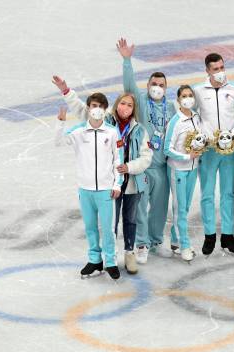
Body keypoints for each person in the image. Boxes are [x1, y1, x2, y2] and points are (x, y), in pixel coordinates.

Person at [51, 77, 152, 274]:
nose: (125, 107)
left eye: (129, 105)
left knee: (129, 220)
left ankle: (126, 255)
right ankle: (99, 259)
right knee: (102, 226)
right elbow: (81, 109)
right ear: (114, 106)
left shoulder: (135, 130)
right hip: (92, 186)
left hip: (128, 181)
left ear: (134, 109)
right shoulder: (99, 123)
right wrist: (66, 93)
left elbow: (145, 157)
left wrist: (127, 168)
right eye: (122, 103)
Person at [116, 38, 177, 263]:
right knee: (140, 207)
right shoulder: (140, 102)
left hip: (162, 167)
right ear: (148, 84)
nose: (157, 87)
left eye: (161, 84)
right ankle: (141, 243)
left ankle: (155, 239)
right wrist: (127, 60)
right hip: (142, 167)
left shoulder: (171, 108)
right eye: (154, 83)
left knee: (160, 208)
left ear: (166, 88)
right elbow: (129, 86)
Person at [54, 94, 122, 280]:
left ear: (105, 109)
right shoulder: (78, 132)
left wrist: (117, 184)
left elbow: (119, 160)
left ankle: (111, 262)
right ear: (89, 107)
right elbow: (58, 142)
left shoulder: (112, 132)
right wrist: (60, 123)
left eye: (101, 106)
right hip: (85, 190)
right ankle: (94, 260)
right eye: (94, 105)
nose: (97, 109)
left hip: (106, 190)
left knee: (107, 229)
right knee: (90, 227)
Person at [193, 53, 234, 255]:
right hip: (208, 150)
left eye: (222, 67)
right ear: (207, 70)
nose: (220, 72)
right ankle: (209, 235)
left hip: (229, 150)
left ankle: (228, 235)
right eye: (215, 69)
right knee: (206, 194)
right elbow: (193, 116)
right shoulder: (198, 91)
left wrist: (233, 136)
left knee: (228, 193)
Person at [164, 85, 205, 262]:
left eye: (190, 95)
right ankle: (185, 245)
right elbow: (167, 149)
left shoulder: (196, 117)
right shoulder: (175, 121)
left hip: (193, 169)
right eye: (184, 96)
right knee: (180, 209)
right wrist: (187, 156)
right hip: (178, 170)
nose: (188, 98)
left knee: (185, 207)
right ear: (179, 99)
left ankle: (175, 239)